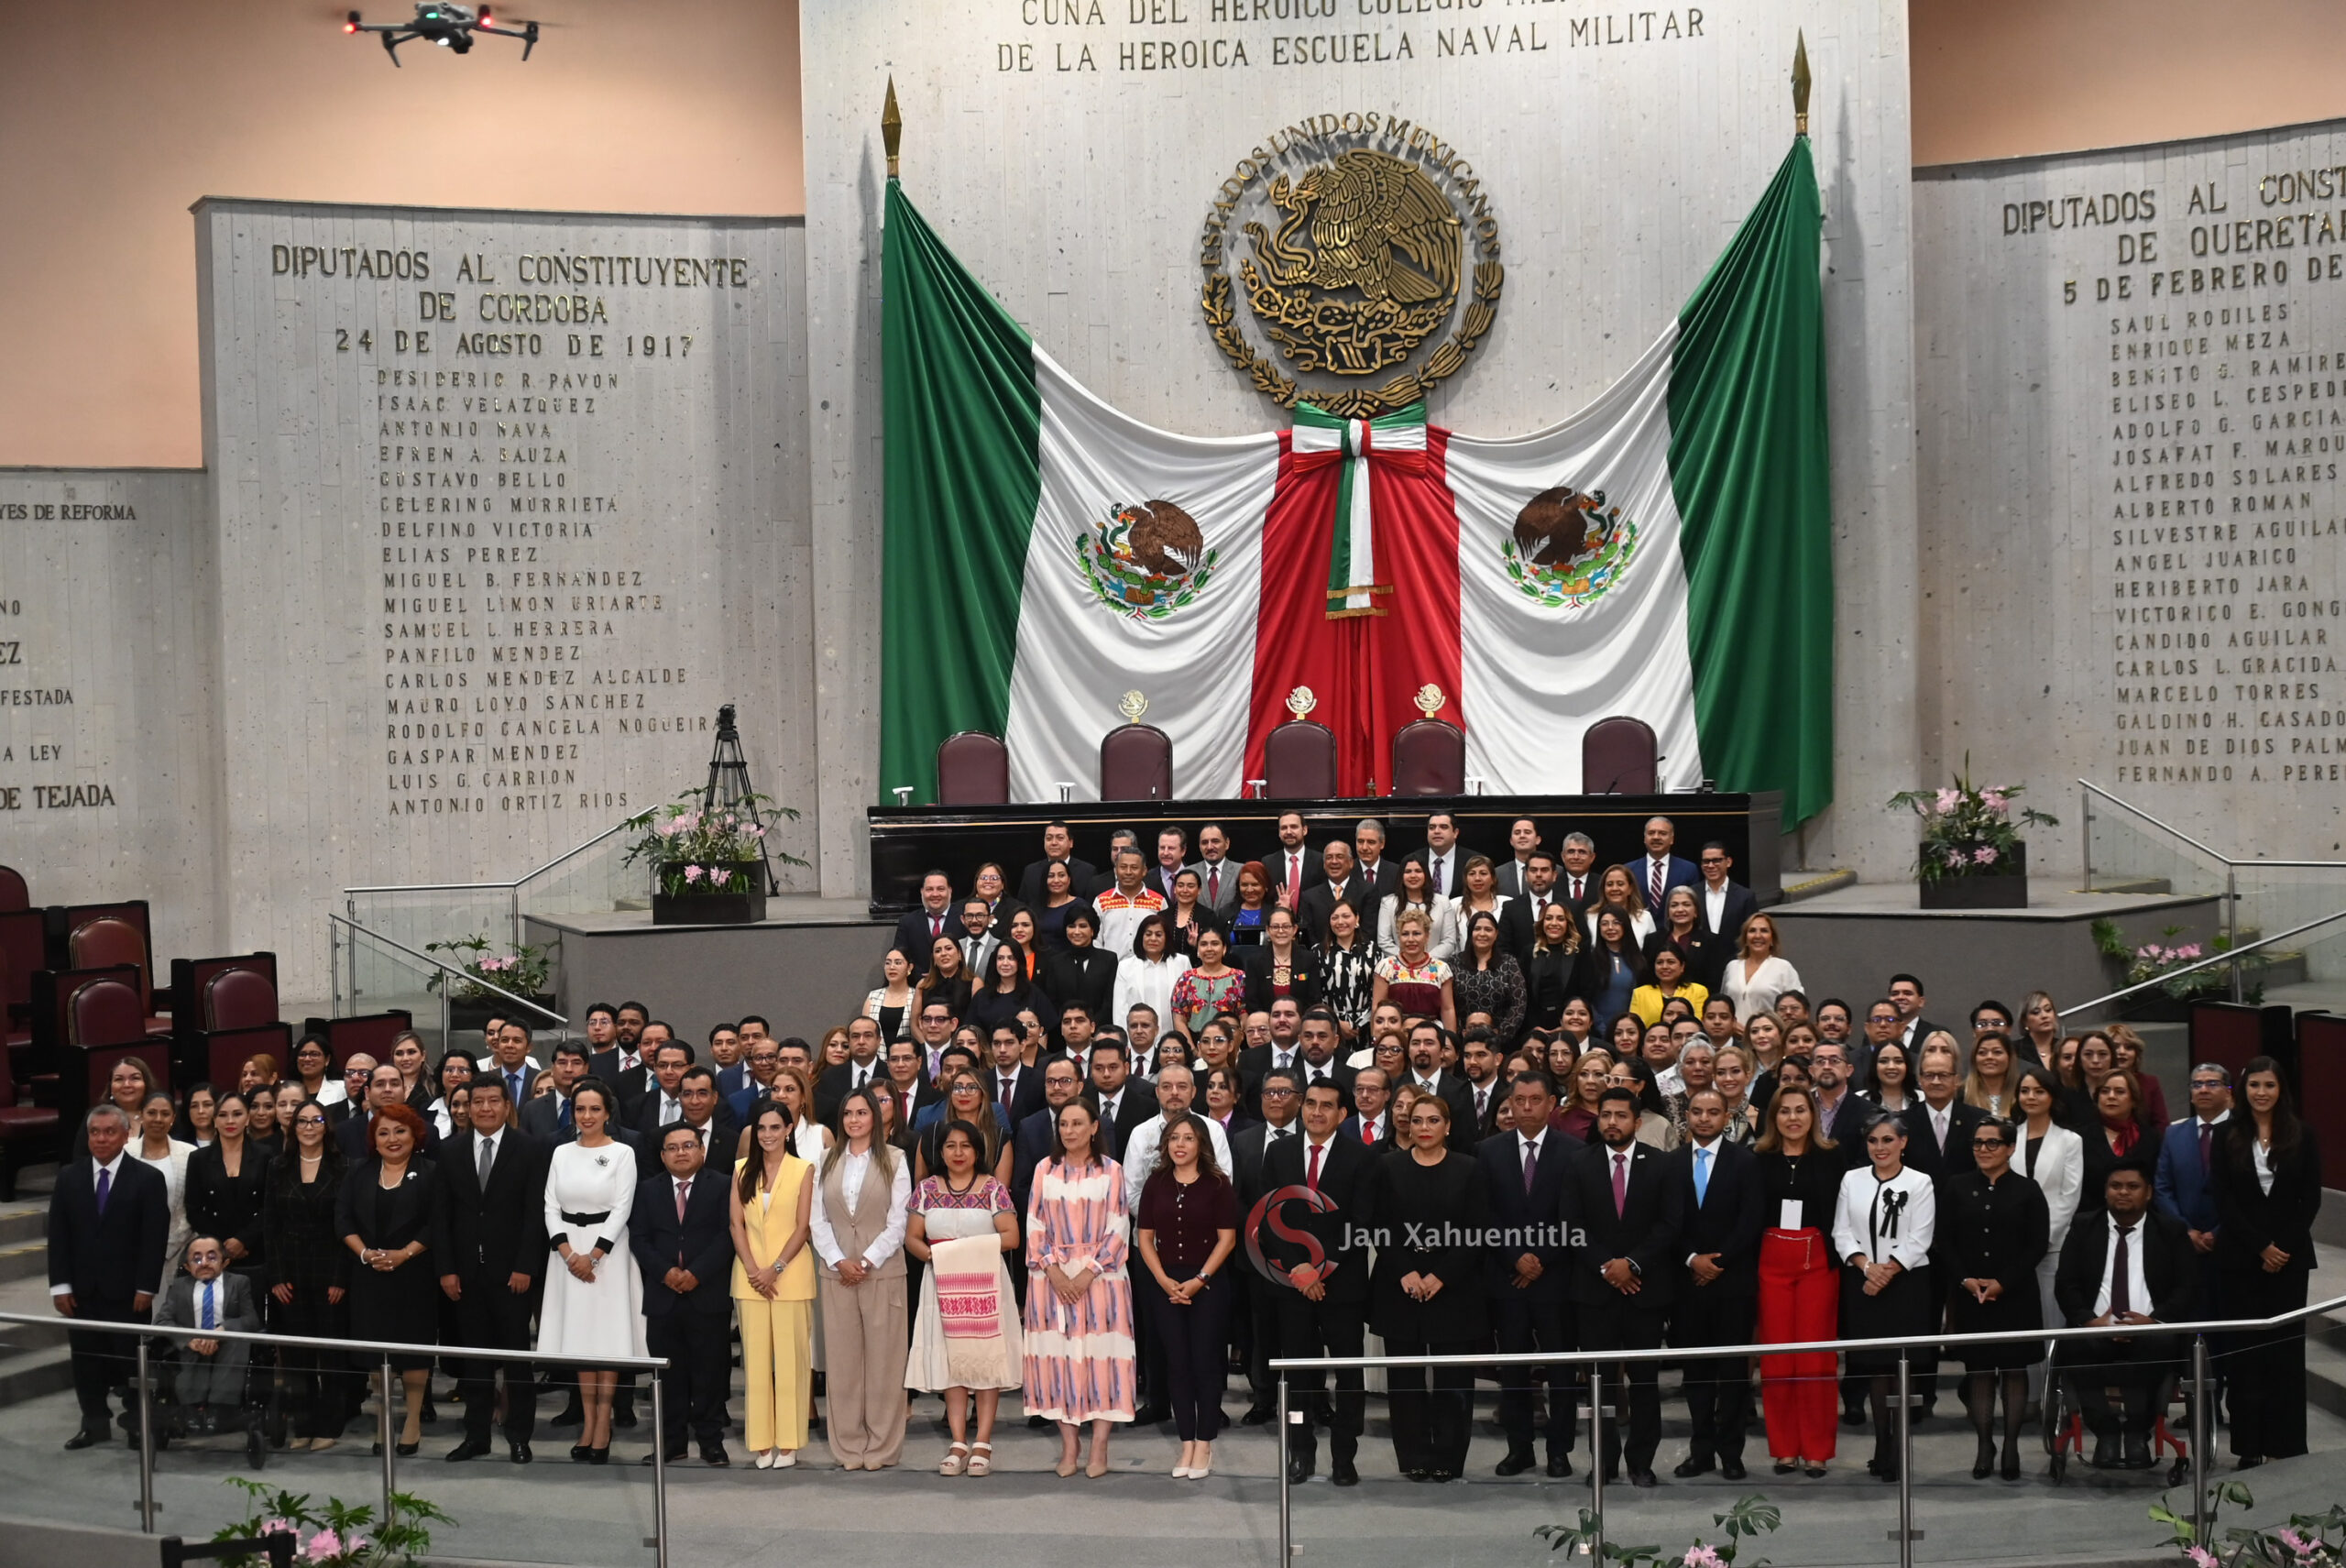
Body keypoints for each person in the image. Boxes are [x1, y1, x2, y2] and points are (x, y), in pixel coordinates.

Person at [1558, 1086, 1683, 1486]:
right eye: (1606, 1114)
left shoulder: (1662, 1166)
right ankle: (1604, 1462)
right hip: (1594, 1293)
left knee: (1645, 1383)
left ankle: (1642, 1462)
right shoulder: (1579, 1164)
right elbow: (1571, 1224)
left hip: (1645, 1291)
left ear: (1637, 1122)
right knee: (1601, 1385)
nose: (1612, 1122)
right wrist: (1606, 1266)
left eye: (1620, 1115)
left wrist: (1630, 1264)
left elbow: (1669, 1225)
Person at [1261, 1080, 1376, 1486]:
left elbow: (1359, 1224)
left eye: (1327, 1105)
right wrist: (1300, 1270)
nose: (1316, 1112)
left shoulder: (1361, 1158)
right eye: (1310, 1103)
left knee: (1347, 1374)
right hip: (1292, 1285)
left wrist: (1320, 1269)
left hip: (1341, 1287)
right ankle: (1300, 1452)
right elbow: (1269, 1216)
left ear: (1343, 1114)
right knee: (1297, 1374)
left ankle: (1344, 1456)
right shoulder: (1278, 1152)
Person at [433, 1072, 551, 1464]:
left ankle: (519, 1436)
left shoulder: (530, 1149)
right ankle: (476, 1435)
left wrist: (525, 1267)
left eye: (492, 1101)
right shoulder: (450, 1151)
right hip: (464, 1276)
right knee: (475, 1362)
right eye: (476, 1102)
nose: (484, 1109)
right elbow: (443, 1217)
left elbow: (536, 1215)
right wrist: (446, 1269)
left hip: (513, 1276)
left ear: (506, 1105)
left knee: (517, 1360)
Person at [1372, 1093, 1489, 1482]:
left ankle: (1449, 1458)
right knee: (1404, 1382)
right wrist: (1405, 1271)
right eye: (1417, 1120)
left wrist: (1440, 1276)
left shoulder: (1470, 1169)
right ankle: (1414, 1457)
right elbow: (1379, 1226)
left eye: (1432, 1121)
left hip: (1454, 1290)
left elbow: (1477, 1231)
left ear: (1448, 1126)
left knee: (1454, 1382)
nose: (1423, 1128)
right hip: (1399, 1288)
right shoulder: (1387, 1167)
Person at [2217, 1057, 2322, 1465]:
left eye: (2269, 1086)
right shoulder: (2228, 1134)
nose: (2261, 1093)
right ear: (2243, 1090)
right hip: (2241, 1259)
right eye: (2255, 1085)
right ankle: (2249, 1446)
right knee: (2246, 1356)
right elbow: (2223, 1198)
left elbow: (2310, 1198)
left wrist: (2282, 1248)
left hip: (2290, 1261)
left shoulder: (2303, 1135)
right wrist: (2260, 1246)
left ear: (2282, 1091)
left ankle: (2287, 1443)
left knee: (2285, 1356)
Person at [2054, 1159, 2192, 1469]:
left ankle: (2136, 1431)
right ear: (2105, 1192)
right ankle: (2105, 1432)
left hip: (2151, 1330)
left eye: (2132, 1187)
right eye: (2116, 1186)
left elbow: (2187, 1288)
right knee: (2074, 1346)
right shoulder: (2083, 1226)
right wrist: (2090, 1321)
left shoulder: (2170, 1230)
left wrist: (2154, 1321)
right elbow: (2066, 1284)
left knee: (2159, 1347)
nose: (2123, 1193)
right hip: (2095, 1327)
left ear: (2148, 1193)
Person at [1025, 1095, 1136, 1478]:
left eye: (1077, 1123)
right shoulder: (1045, 1169)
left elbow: (1119, 1226)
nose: (1069, 1131)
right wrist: (1054, 1271)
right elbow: (1034, 1224)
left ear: (1094, 1128)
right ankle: (1069, 1444)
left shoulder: (1112, 1171)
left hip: (1102, 1278)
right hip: (1050, 1278)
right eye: (1063, 1124)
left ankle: (1100, 1444)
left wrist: (1088, 1271)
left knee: (1102, 1358)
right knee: (1059, 1359)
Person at [906, 1119, 1023, 1476]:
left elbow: (1012, 1237)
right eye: (950, 1146)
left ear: (977, 1151)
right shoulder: (926, 1189)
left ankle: (983, 1440)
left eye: (965, 1146)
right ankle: (958, 1440)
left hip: (985, 1283)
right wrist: (935, 1257)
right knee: (951, 1359)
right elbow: (912, 1237)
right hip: (940, 1282)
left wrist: (960, 1252)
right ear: (940, 1151)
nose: (958, 1153)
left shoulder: (993, 1189)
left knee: (984, 1359)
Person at [50, 1104, 170, 1450]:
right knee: (85, 1361)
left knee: (131, 1362)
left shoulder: (147, 1179)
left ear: (126, 1135)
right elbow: (59, 1237)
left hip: (129, 1292)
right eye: (95, 1132)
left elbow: (153, 1238)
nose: (101, 1139)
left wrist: (146, 1286)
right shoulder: (69, 1177)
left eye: (109, 1132)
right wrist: (60, 1285)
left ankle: (137, 1424)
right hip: (82, 1291)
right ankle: (94, 1423)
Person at [1479, 1069, 1578, 1476]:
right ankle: (1519, 1448)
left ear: (1551, 1104)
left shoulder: (1574, 1151)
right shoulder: (1487, 1151)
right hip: (1508, 1277)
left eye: (1535, 1100)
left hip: (1556, 1279)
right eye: (1519, 1101)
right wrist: (1514, 1257)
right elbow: (1483, 1215)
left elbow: (1575, 1216)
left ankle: (1560, 1450)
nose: (1526, 1108)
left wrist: (1541, 1258)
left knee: (1561, 1369)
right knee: (1514, 1369)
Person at [538, 1081, 642, 1465]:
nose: (586, 1116)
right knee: (581, 1341)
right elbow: (550, 1206)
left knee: (607, 1342)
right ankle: (588, 1422)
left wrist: (594, 1255)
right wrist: (568, 1253)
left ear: (607, 1113)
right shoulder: (561, 1153)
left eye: (594, 1109)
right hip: (567, 1256)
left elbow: (622, 1207)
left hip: (608, 1255)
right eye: (580, 1109)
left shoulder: (622, 1153)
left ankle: (604, 1424)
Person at [1939, 1116, 2049, 1479]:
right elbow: (1945, 1241)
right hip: (1972, 1295)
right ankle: (1985, 1443)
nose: (1983, 1150)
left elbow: (2037, 1244)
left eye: (1992, 1143)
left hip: (2014, 1294)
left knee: (2015, 1370)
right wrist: (1965, 1280)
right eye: (1977, 1143)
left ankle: (2012, 1444)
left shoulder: (2028, 1190)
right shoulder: (1956, 1186)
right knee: (1980, 1371)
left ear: (2010, 1148)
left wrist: (2004, 1281)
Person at [1833, 1113, 1936, 1483]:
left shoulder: (1920, 1182)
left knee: (1900, 1368)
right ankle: (1880, 1446)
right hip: (1864, 1282)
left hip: (1906, 1283)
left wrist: (1887, 1271)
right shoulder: (1852, 1180)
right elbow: (1841, 1232)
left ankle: (1897, 1448)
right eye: (1874, 1141)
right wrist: (1866, 1268)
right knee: (1876, 1367)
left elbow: (1920, 1237)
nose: (1880, 1148)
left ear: (1903, 1143)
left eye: (1888, 1140)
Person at [1134, 1113, 1238, 1480]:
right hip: (1166, 1283)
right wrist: (1163, 1280)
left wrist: (1200, 1279)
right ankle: (1186, 1442)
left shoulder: (1217, 1184)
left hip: (1207, 1283)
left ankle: (1205, 1441)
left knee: (1205, 1363)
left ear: (1201, 1145)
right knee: (1176, 1364)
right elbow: (1144, 1236)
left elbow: (1228, 1237)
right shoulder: (1156, 1183)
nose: (1180, 1145)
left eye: (1188, 1138)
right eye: (1174, 1138)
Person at [814, 1086, 913, 1470]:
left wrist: (867, 1260)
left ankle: (882, 1447)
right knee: (842, 1363)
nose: (854, 1120)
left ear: (875, 1116)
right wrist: (840, 1261)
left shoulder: (896, 1159)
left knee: (885, 1364)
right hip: (837, 1274)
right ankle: (849, 1447)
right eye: (848, 1113)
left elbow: (899, 1220)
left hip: (883, 1271)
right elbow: (816, 1219)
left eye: (861, 1112)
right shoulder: (826, 1159)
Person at [1670, 1087, 1763, 1480]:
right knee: (1696, 1373)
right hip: (1687, 1284)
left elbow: (1751, 1220)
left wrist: (1716, 1261)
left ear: (1727, 1117)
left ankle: (1731, 1452)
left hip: (1732, 1282)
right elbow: (1665, 1222)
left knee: (1733, 1374)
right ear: (1686, 1116)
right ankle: (1701, 1451)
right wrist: (1693, 1259)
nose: (1704, 1118)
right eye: (1697, 1111)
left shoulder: (1746, 1162)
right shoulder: (1670, 1164)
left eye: (1713, 1112)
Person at [337, 1103, 441, 1457]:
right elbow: (343, 1220)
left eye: (400, 1131)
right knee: (376, 1354)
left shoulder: (431, 1172)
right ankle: (383, 1420)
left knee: (413, 1353)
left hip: (415, 1274)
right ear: (373, 1140)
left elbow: (436, 1223)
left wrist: (405, 1253)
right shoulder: (358, 1173)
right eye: (383, 1132)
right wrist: (366, 1254)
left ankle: (412, 1421)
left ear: (415, 1135)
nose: (392, 1139)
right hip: (369, 1276)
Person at [633, 1123, 736, 1467]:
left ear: (702, 1151)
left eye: (688, 1145)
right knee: (668, 1376)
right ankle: (671, 1443)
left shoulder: (722, 1185)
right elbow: (639, 1239)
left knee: (709, 1373)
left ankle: (711, 1443)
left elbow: (728, 1235)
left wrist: (696, 1274)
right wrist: (666, 1273)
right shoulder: (647, 1190)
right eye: (673, 1147)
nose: (681, 1152)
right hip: (663, 1297)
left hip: (707, 1295)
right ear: (662, 1156)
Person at [1753, 1085, 1842, 1475]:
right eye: (1785, 1111)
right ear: (1774, 1117)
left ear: (1813, 1115)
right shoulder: (1758, 1160)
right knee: (1776, 1360)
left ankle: (1817, 1449)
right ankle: (1785, 1448)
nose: (1793, 1118)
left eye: (1801, 1110)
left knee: (1814, 1358)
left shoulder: (1832, 1158)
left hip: (1818, 1264)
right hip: (1770, 1264)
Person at [730, 1102, 817, 1470]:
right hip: (749, 1279)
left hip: (790, 1277)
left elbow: (803, 1226)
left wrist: (775, 1269)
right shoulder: (739, 1170)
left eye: (775, 1127)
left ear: (788, 1129)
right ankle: (761, 1443)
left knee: (791, 1363)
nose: (767, 1134)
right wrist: (754, 1270)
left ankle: (790, 1442)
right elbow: (736, 1224)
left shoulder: (803, 1169)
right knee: (756, 1363)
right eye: (761, 1128)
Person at [264, 1098, 351, 1451]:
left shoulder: (344, 1165)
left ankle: (329, 1425)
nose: (309, 1127)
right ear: (292, 1127)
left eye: (316, 1120)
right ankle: (303, 1425)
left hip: (330, 1269)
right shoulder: (277, 1166)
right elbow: (270, 1225)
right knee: (297, 1356)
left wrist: (341, 1277)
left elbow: (348, 1226)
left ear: (326, 1126)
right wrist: (276, 1275)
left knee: (331, 1355)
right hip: (290, 1272)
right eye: (302, 1121)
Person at [151, 1234, 261, 1435]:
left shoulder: (239, 1282)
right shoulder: (178, 1288)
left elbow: (251, 1320)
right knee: (186, 1349)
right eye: (197, 1258)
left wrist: (222, 1331)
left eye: (212, 1257)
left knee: (238, 1341)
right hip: (192, 1348)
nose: (204, 1263)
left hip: (227, 1345)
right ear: (187, 1266)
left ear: (225, 1261)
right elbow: (162, 1321)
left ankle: (220, 1410)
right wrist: (190, 1340)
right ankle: (191, 1409)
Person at [2154, 1062, 2232, 1316]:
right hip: (2185, 1243)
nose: (2203, 1090)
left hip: (2232, 1241)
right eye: (2197, 1084)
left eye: (2212, 1083)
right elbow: (2162, 1188)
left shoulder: (2243, 1133)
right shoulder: (2174, 1134)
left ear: (2228, 1091)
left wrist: (2219, 1231)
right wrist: (2185, 1230)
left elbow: (2248, 1192)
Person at [186, 1091, 272, 1293]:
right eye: (223, 1115)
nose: (230, 1121)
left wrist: (243, 1240)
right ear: (214, 1120)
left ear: (248, 1118)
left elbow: (270, 1205)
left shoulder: (266, 1156)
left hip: (255, 1251)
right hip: (214, 1255)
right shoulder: (199, 1159)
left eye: (237, 1114)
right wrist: (223, 1246)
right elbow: (194, 1209)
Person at [127, 1091, 195, 1286]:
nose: (158, 1119)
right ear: (141, 1115)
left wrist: (167, 1246)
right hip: (133, 1251)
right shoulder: (124, 1154)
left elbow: (193, 1206)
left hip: (179, 1251)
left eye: (165, 1114)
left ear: (173, 1118)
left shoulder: (190, 1154)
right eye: (152, 1113)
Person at [2079, 1069, 2163, 1222]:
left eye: (2119, 1092)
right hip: (2091, 1221)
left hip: (2142, 1221)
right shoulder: (2080, 1138)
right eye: (2105, 1091)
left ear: (2134, 1100)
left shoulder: (2151, 1138)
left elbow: (2157, 1184)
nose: (2111, 1096)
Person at [1373, 910, 1457, 1034]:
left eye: (1417, 934)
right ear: (1399, 937)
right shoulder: (1386, 967)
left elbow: (1447, 1009)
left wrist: (1451, 1042)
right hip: (1396, 1033)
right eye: (1405, 934)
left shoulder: (1441, 969)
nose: (1410, 939)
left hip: (1431, 1033)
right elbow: (1377, 1007)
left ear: (1427, 936)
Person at [1452, 910, 1526, 1046]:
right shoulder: (1455, 962)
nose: (1482, 934)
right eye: (1477, 929)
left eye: (1488, 929)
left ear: (1496, 934)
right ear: (1470, 933)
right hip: (1463, 1040)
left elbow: (1518, 1004)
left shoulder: (1509, 963)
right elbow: (1449, 1005)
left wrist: (1499, 1035)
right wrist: (1460, 1035)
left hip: (1501, 1042)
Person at [966, 938, 1054, 1044]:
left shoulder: (1034, 994)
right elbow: (971, 1033)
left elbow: (1043, 1035)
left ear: (1019, 962)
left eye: (1011, 958)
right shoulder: (981, 996)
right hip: (989, 1058)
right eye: (1000, 958)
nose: (1005, 963)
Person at [1719, 915, 1800, 1026]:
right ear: (1745, 939)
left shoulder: (1784, 968)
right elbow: (1723, 1005)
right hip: (1734, 1039)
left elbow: (1796, 1009)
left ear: (1772, 939)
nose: (1758, 935)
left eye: (1764, 931)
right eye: (1752, 931)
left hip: (1768, 1038)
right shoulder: (1732, 967)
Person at [1242, 905, 1321, 1016]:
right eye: (1275, 927)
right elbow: (1252, 1002)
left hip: (1300, 1025)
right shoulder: (1254, 962)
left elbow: (1314, 999)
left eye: (1286, 926)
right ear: (1268, 930)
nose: (1281, 931)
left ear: (1294, 929)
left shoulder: (1309, 960)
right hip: (1265, 1026)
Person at [1376, 855, 1458, 960]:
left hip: (1434, 966)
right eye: (1408, 871)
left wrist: (1426, 961)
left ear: (1426, 874)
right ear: (1401, 875)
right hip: (1399, 968)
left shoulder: (1443, 902)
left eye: (1418, 871)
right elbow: (1384, 941)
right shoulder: (1388, 903)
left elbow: (1449, 941)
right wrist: (1407, 960)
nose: (1413, 875)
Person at [1168, 926, 1246, 1036]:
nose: (1209, 949)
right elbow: (1179, 1019)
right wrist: (1193, 1050)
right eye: (1203, 944)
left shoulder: (1239, 978)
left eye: (1215, 944)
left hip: (1229, 1042)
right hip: (1193, 1042)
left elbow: (1244, 1017)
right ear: (1198, 950)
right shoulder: (1186, 979)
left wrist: (1230, 1046)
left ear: (1224, 948)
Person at [864, 948, 920, 1044]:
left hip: (908, 1055)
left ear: (909, 967)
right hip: (878, 1056)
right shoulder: (873, 997)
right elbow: (865, 1032)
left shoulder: (917, 996)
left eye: (898, 963)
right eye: (888, 963)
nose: (892, 967)